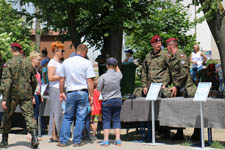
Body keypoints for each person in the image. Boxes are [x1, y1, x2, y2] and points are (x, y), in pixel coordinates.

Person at [0, 43, 39, 149]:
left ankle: (4, 141)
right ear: (20, 50)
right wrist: (31, 93)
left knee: (7, 116)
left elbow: (6, 82)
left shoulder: (9, 63)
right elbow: (34, 80)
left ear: (12, 50)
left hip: (12, 94)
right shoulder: (28, 63)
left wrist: (4, 98)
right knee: (29, 115)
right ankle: (34, 138)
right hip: (26, 93)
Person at [57, 44, 95, 147]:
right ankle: (77, 141)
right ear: (85, 52)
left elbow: (61, 79)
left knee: (68, 117)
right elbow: (90, 80)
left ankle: (63, 141)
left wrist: (61, 92)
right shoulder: (87, 63)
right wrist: (91, 94)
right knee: (80, 117)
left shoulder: (66, 62)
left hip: (70, 92)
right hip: (82, 92)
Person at [164, 38, 197, 139]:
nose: (166, 49)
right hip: (178, 88)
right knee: (178, 110)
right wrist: (165, 84)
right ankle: (179, 133)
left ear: (170, 46)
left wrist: (176, 86)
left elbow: (184, 72)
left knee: (193, 111)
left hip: (187, 88)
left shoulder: (181, 55)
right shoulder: (172, 58)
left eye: (167, 46)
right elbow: (170, 74)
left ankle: (197, 134)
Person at [97, 57, 123, 146]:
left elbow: (98, 89)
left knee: (106, 120)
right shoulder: (119, 75)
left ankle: (106, 140)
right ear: (116, 66)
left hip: (107, 100)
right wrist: (116, 66)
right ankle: (118, 139)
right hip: (118, 100)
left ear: (107, 66)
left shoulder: (103, 77)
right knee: (116, 119)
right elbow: (118, 71)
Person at [47, 41, 65, 142]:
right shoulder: (52, 63)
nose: (63, 52)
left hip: (60, 88)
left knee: (58, 112)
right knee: (56, 112)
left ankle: (55, 134)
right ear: (56, 51)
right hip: (55, 89)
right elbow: (50, 77)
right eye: (62, 51)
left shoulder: (59, 63)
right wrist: (62, 76)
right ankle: (55, 134)